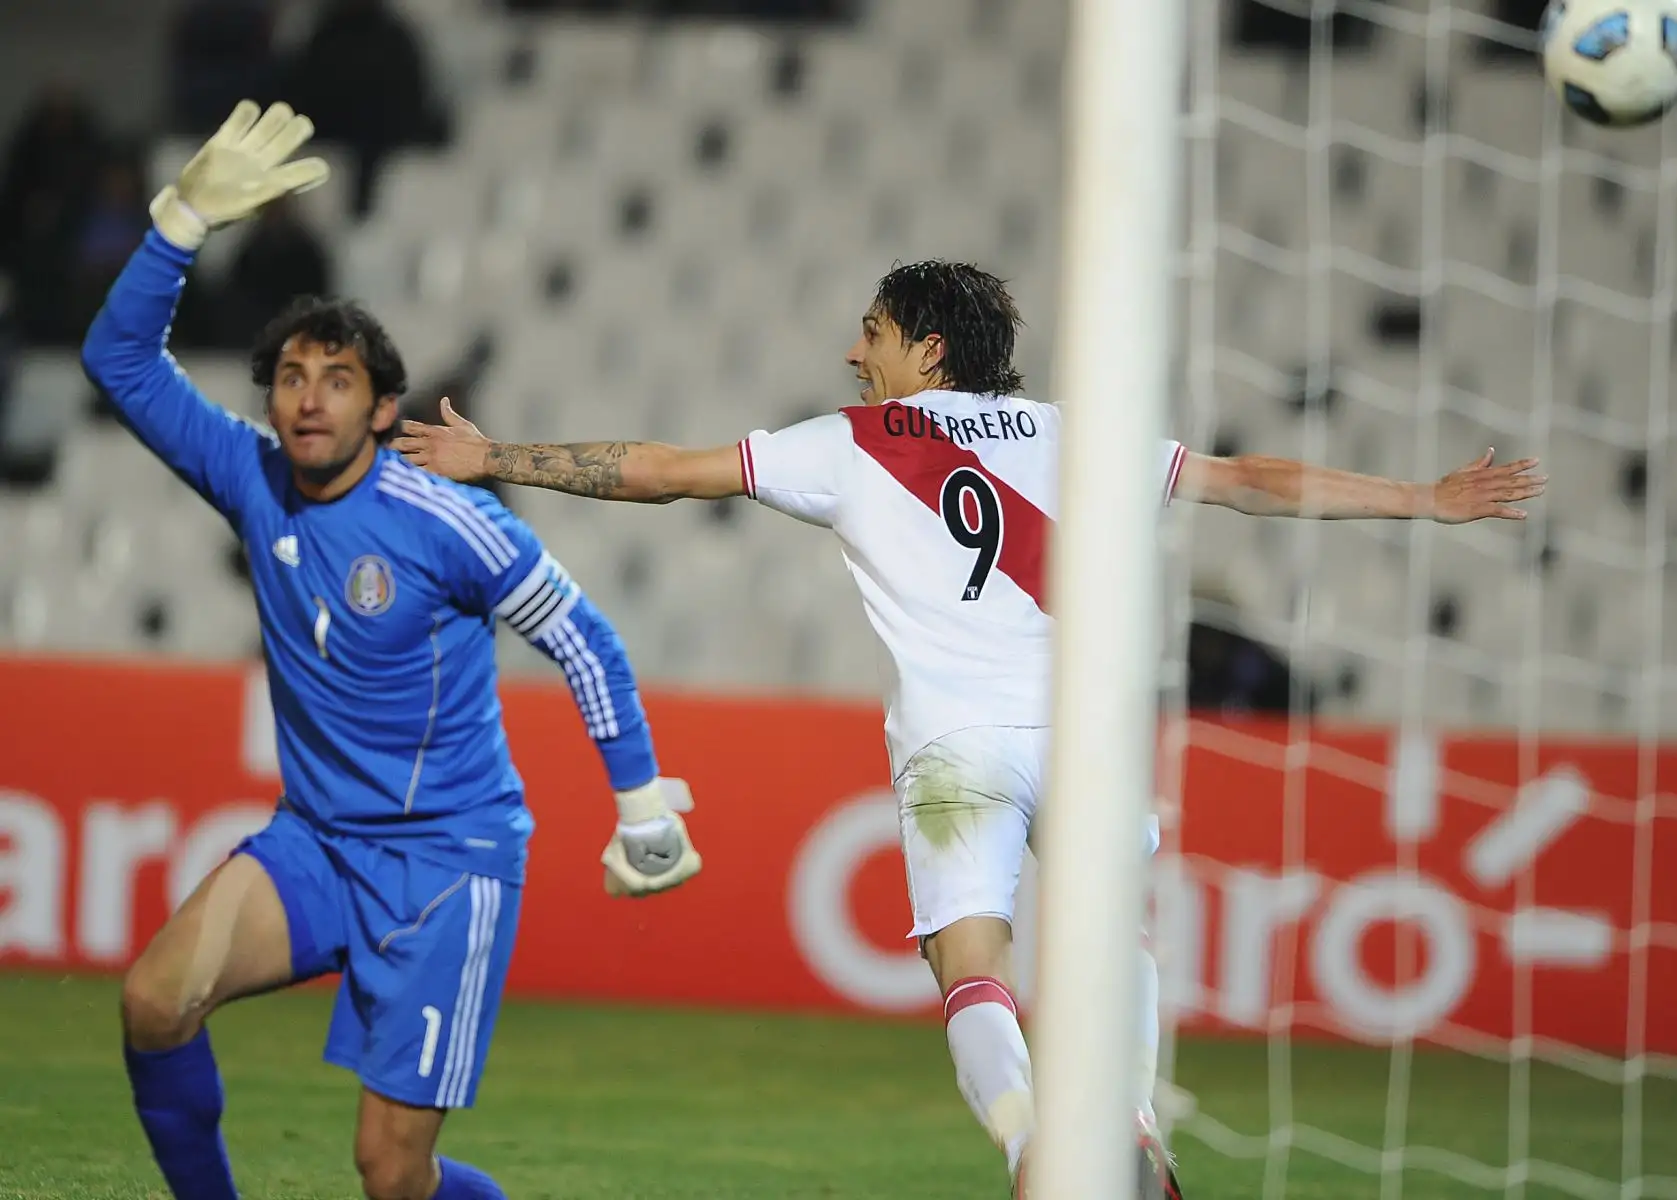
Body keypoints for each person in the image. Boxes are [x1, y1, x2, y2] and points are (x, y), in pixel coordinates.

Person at [394, 260, 1546, 1199]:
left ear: (925, 353)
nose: (858, 352)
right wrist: (1422, 500)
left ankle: (1034, 1152)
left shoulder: (853, 441)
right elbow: (1251, 480)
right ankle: (1131, 1125)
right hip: (1086, 745)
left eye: (874, 332)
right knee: (1117, 949)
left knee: (968, 964)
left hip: (959, 751)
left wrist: (497, 458)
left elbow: (663, 473)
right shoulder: (1071, 434)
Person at [82, 100, 702, 1200]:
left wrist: (642, 805)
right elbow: (119, 361)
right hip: (316, 844)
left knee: (388, 1172)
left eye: (338, 380)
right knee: (152, 1002)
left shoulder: (445, 521)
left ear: (381, 409)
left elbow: (583, 636)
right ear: (270, 402)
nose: (308, 398)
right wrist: (178, 222)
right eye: (290, 378)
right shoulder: (248, 476)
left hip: (447, 865)